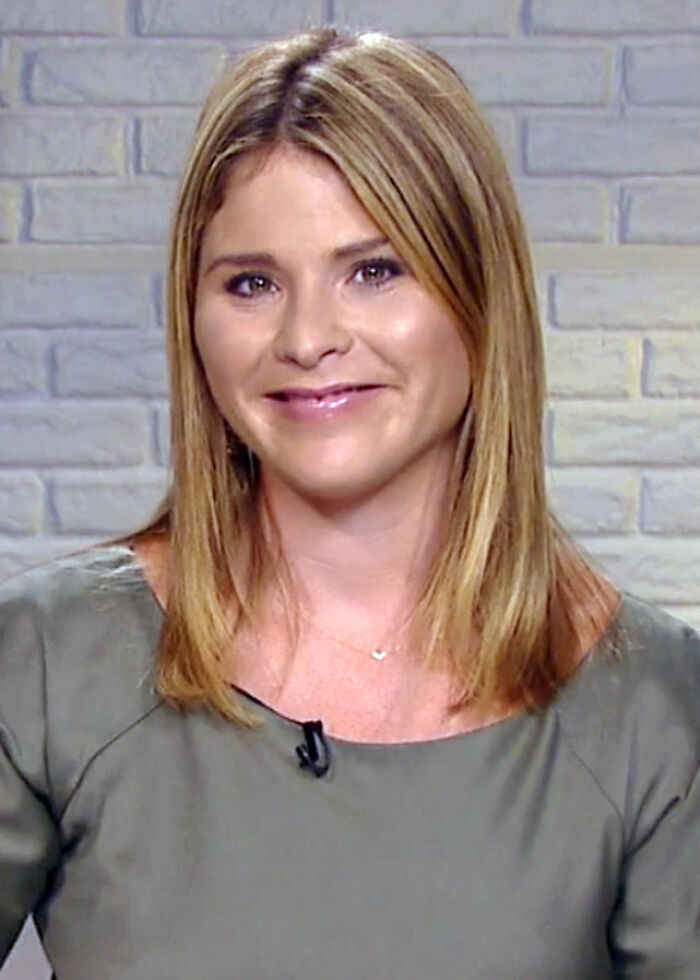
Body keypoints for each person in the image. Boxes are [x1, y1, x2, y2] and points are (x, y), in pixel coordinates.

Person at [1, 25, 699, 980]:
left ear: (476, 293)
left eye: (374, 271)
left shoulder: (656, 708)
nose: (307, 336)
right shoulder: (45, 664)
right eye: (251, 283)